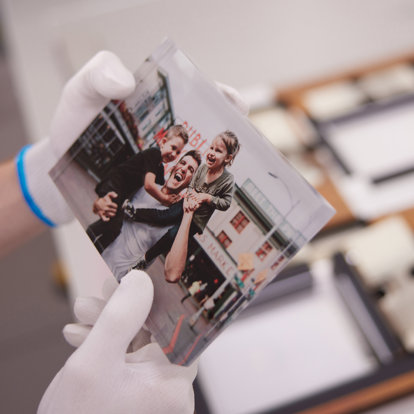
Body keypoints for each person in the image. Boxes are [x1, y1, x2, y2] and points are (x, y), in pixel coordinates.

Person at [0, 50, 248, 413]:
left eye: (189, 164)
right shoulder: (154, 174)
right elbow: (127, 186)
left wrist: (43, 177)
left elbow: (163, 233)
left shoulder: (181, 210)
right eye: (178, 158)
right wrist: (59, 170)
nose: (180, 166)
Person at [124, 130, 240, 270]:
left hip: (195, 220)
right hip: (186, 204)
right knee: (165, 215)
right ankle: (135, 212)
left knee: (172, 234)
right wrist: (190, 197)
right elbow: (191, 185)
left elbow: (226, 203)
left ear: (227, 158)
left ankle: (145, 258)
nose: (212, 152)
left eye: (218, 151)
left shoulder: (227, 180)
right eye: (211, 148)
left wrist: (207, 198)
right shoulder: (203, 168)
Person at [86, 124, 188, 253]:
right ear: (163, 142)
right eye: (173, 148)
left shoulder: (159, 167)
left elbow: (162, 186)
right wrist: (164, 199)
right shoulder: (154, 153)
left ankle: (93, 247)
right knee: (112, 225)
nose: (174, 154)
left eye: (178, 152)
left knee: (113, 228)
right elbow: (149, 185)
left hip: (121, 191)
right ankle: (90, 243)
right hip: (115, 185)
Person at [102, 150, 201, 281]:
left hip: (118, 282)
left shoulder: (176, 220)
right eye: (182, 163)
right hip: (100, 259)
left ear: (190, 183)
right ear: (173, 167)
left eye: (190, 170)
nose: (183, 169)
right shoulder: (145, 187)